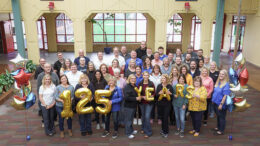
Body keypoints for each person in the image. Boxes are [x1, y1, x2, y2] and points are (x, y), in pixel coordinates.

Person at [212, 69, 231, 135]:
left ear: (225, 76)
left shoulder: (226, 85)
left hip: (221, 104)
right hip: (215, 102)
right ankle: (218, 127)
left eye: (222, 74)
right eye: (220, 74)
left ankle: (221, 130)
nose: (221, 75)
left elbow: (225, 96)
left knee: (222, 117)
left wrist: (221, 104)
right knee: (218, 116)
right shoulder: (218, 82)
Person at [124, 74, 142, 139]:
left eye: (134, 78)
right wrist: (136, 98)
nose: (133, 80)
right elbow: (126, 97)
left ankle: (131, 130)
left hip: (133, 106)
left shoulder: (134, 86)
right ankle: (128, 133)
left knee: (131, 119)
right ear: (129, 79)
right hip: (128, 106)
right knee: (128, 120)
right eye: (132, 78)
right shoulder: (127, 87)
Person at [138, 71, 155, 138]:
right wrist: (142, 97)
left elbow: (154, 93)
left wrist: (151, 96)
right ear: (143, 76)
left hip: (149, 103)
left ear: (148, 76)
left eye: (147, 75)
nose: (146, 76)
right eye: (144, 75)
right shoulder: (140, 83)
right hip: (142, 102)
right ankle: (143, 128)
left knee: (147, 116)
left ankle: (149, 132)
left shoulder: (151, 83)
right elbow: (138, 93)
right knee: (143, 116)